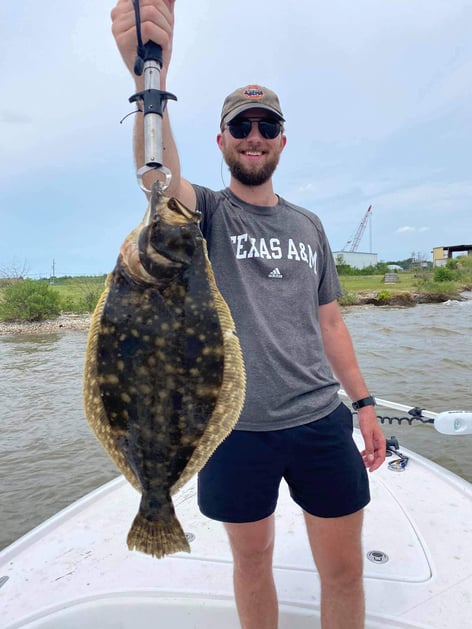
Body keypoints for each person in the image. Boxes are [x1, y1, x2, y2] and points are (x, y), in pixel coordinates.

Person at [111, 2, 386, 627]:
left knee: (343, 571)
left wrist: (364, 404)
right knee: (252, 561)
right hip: (233, 428)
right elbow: (155, 176)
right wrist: (147, 83)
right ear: (223, 140)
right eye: (242, 127)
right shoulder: (206, 213)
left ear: (283, 139)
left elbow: (331, 324)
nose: (254, 136)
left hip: (320, 419)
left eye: (266, 126)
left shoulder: (309, 225)